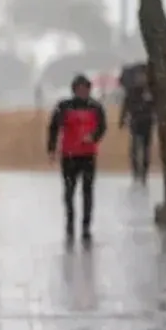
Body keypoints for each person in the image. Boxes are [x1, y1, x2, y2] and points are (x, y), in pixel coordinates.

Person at [47, 75, 106, 243]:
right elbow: (53, 127)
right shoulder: (64, 106)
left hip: (88, 154)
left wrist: (93, 137)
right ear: (74, 90)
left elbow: (102, 127)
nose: (82, 92)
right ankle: (70, 223)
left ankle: (86, 226)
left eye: (85, 89)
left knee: (87, 191)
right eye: (79, 89)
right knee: (69, 191)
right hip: (69, 155)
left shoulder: (96, 107)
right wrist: (51, 148)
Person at [119, 64, 154, 182]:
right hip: (135, 121)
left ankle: (144, 171)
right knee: (134, 147)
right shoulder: (132, 91)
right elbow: (126, 105)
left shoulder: (150, 90)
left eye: (143, 76)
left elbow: (156, 106)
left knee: (146, 148)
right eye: (139, 76)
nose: (141, 78)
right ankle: (135, 171)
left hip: (147, 122)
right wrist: (122, 119)